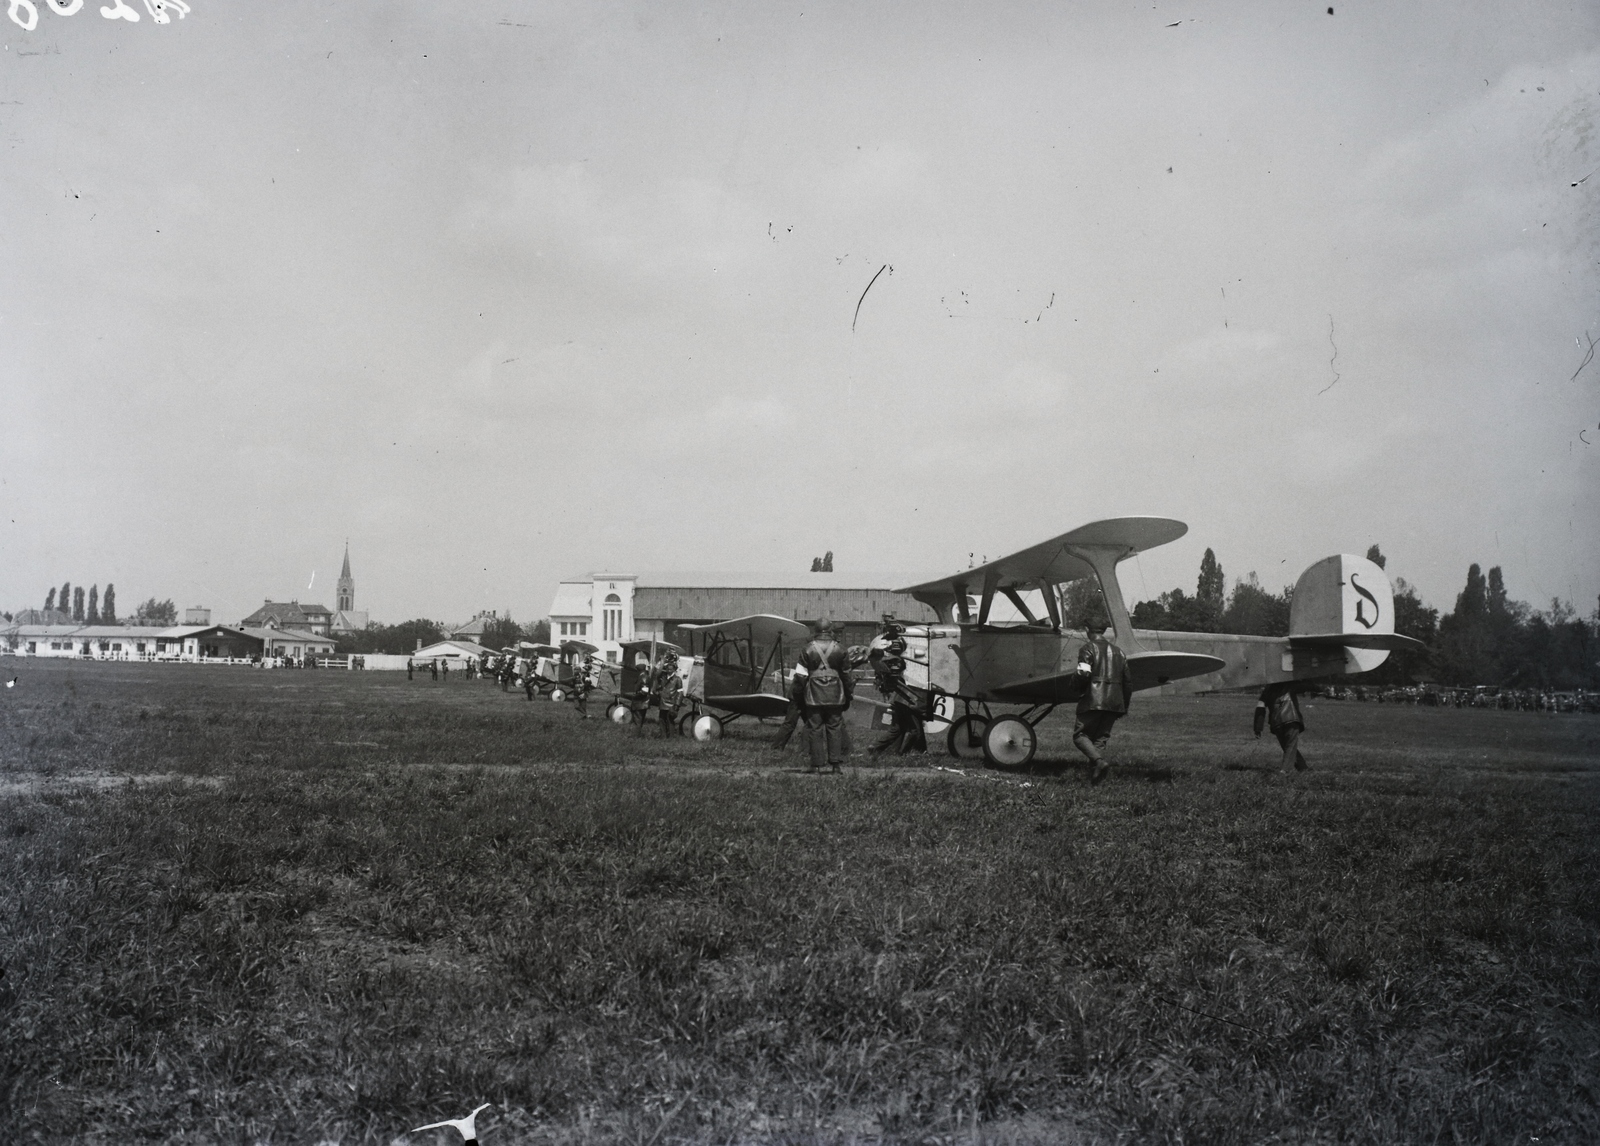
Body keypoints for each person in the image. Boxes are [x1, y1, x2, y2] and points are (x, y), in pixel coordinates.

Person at [1072, 617, 1132, 784]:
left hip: (1093, 700)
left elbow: (1083, 674)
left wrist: (1074, 686)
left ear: (1087, 629)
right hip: (1115, 702)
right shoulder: (1120, 652)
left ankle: (1099, 763)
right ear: (1104, 631)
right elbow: (1127, 683)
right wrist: (1124, 706)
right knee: (1099, 739)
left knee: (1080, 736)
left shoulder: (1087, 649)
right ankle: (1094, 780)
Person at [794, 619, 853, 772]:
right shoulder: (841, 648)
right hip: (835, 694)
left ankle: (816, 765)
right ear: (830, 630)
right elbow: (846, 675)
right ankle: (835, 765)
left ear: (816, 630)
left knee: (815, 728)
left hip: (814, 694)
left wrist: (798, 695)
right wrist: (848, 695)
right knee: (835, 727)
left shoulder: (807, 649)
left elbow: (800, 676)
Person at [869, 615, 925, 756]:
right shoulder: (901, 662)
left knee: (897, 729)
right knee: (914, 730)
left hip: (899, 698)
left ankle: (875, 747)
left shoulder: (891, 661)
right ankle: (904, 753)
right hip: (907, 698)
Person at [1254, 682, 1308, 771]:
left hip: (1276, 723)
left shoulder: (1266, 690)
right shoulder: (1290, 684)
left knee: (1288, 747)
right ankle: (1285, 771)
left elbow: (1260, 708)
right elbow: (1307, 686)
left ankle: (1303, 767)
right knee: (1290, 746)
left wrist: (1258, 728)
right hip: (1291, 718)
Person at [654, 653, 683, 736]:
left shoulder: (677, 679)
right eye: (668, 669)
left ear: (674, 670)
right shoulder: (663, 678)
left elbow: (680, 693)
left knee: (670, 721)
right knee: (661, 720)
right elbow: (656, 678)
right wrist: (658, 693)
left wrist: (677, 705)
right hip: (663, 702)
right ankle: (663, 737)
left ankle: (670, 737)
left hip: (671, 704)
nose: (669, 671)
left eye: (671, 669)